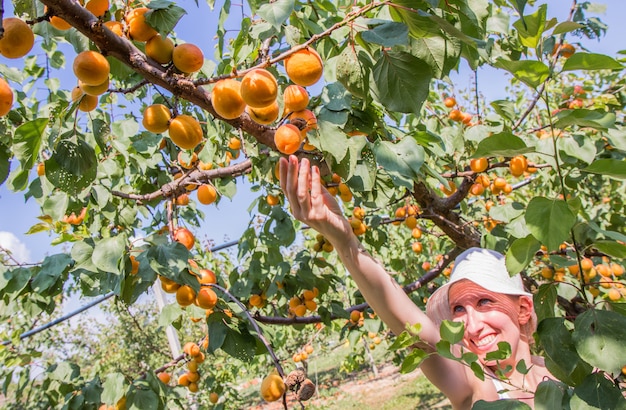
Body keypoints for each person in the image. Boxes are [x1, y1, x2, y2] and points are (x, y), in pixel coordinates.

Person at [279, 155, 553, 409]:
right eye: (458, 309)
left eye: (484, 301)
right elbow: (408, 324)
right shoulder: (476, 384)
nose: (471, 324)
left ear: (523, 309)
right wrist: (345, 242)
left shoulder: (571, 373)